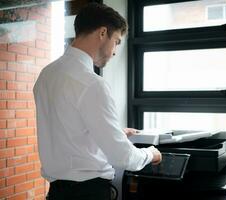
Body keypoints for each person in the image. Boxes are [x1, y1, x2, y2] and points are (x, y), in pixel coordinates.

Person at [33, 3, 162, 200]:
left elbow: (68, 130)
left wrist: (115, 132)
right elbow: (123, 157)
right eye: (117, 41)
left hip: (56, 193)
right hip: (89, 193)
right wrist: (151, 154)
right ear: (103, 33)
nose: (115, 51)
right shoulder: (93, 84)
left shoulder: (46, 75)